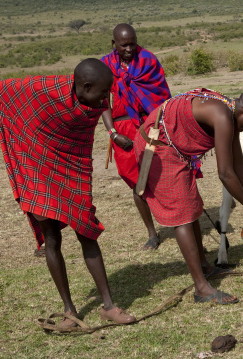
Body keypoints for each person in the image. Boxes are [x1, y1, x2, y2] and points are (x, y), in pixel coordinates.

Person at [0, 58, 136, 327]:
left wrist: (113, 131)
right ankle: (70, 310)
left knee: (86, 230)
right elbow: (4, 89)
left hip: (71, 166)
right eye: (102, 93)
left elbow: (106, 103)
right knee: (52, 236)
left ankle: (108, 305)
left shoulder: (94, 97)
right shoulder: (46, 89)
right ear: (84, 86)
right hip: (37, 164)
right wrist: (22, 133)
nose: (106, 99)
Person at [132, 88, 243, 304]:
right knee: (182, 216)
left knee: (192, 208)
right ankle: (201, 288)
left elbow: (239, 164)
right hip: (159, 147)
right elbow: (226, 174)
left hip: (173, 147)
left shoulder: (231, 113)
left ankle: (205, 267)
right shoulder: (223, 116)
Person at [101, 23, 171, 251]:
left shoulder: (148, 61)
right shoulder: (105, 67)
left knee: (164, 178)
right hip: (122, 132)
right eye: (124, 45)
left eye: (133, 43)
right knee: (135, 182)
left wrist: (157, 127)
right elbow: (103, 103)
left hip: (150, 126)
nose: (129, 49)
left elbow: (161, 96)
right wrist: (113, 133)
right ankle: (152, 233)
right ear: (114, 44)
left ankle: (178, 221)